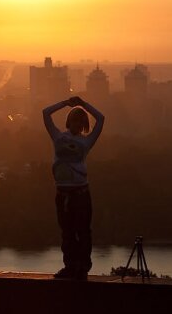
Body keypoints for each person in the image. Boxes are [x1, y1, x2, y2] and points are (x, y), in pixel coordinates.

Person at [43, 96, 105, 280]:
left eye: (81, 121)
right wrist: (66, 103)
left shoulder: (86, 142)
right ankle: (69, 266)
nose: (77, 123)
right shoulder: (58, 137)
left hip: (80, 194)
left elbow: (101, 119)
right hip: (62, 194)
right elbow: (45, 113)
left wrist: (84, 104)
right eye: (75, 119)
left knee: (83, 231)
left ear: (84, 124)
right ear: (69, 121)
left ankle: (82, 268)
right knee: (67, 232)